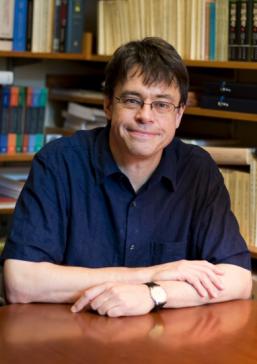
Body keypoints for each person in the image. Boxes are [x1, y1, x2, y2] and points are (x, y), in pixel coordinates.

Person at [0, 37, 252, 317]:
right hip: (70, 343)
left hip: (164, 348)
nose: (146, 115)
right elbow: (20, 282)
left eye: (162, 104)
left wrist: (153, 293)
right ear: (108, 105)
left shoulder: (197, 170)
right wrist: (156, 273)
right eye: (132, 100)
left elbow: (238, 279)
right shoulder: (59, 162)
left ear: (179, 115)